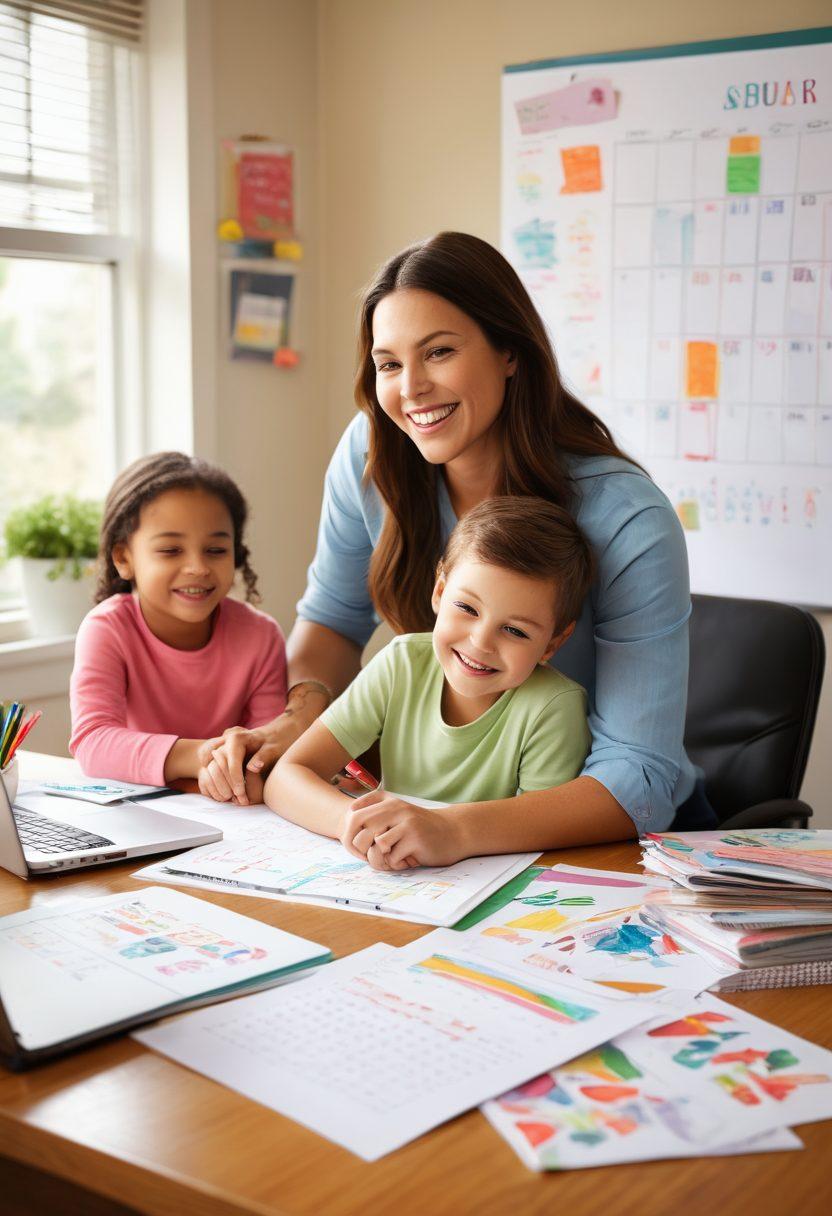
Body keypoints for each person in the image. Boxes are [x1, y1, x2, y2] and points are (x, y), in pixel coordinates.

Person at [201, 231, 714, 848]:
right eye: (388, 363)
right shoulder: (370, 454)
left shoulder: (628, 518)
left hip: (605, 844)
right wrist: (298, 723)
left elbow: (641, 777)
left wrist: (453, 829)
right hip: (438, 832)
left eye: (438, 352)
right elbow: (332, 625)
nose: (410, 388)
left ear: (510, 352)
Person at [265, 497, 592, 867]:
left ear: (552, 644)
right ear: (439, 592)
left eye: (515, 630)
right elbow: (287, 777)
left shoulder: (553, 706)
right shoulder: (400, 663)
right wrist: (356, 825)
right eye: (467, 608)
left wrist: (445, 832)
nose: (481, 643)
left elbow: (540, 833)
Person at [69, 452, 286, 791]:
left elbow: (269, 749)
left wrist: (243, 766)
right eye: (171, 550)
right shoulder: (107, 629)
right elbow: (93, 743)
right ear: (124, 558)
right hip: (140, 812)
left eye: (215, 550)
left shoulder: (261, 635)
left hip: (232, 809)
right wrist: (202, 756)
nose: (198, 567)